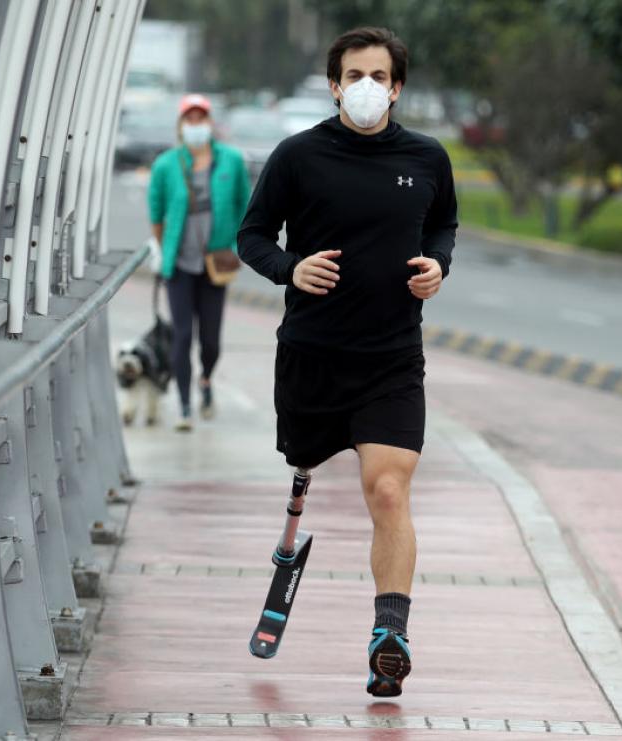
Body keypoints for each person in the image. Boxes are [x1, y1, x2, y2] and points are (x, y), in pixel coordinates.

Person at [237, 27, 458, 697]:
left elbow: (443, 223)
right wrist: (289, 268)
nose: (366, 86)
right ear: (334, 84)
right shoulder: (298, 156)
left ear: (397, 87)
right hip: (312, 356)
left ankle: (389, 633)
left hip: (391, 359)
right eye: (353, 74)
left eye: (379, 75)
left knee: (388, 489)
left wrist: (437, 266)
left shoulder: (426, 157)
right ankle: (294, 514)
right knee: (301, 459)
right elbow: (251, 236)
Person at [148, 93, 252, 431]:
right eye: (189, 119)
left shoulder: (231, 161)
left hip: (215, 263)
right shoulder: (166, 165)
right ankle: (183, 404)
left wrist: (235, 245)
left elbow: (243, 206)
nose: (196, 125)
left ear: (210, 123)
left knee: (210, 339)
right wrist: (163, 249)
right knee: (181, 336)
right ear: (181, 125)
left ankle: (205, 379)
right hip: (179, 263)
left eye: (201, 118)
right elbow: (157, 212)